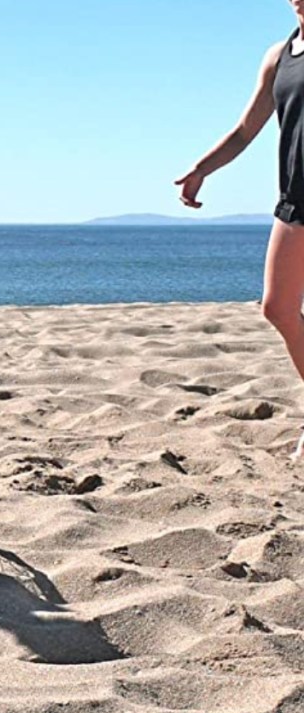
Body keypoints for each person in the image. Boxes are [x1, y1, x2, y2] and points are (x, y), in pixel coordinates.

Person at [177, 1, 304, 458]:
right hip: (295, 201)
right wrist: (201, 168)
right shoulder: (279, 55)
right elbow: (245, 129)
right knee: (277, 308)